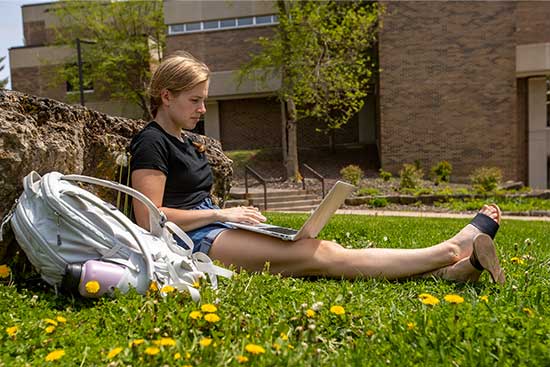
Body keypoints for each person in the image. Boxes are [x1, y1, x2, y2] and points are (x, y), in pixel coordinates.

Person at [130, 51, 505, 284]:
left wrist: (225, 216)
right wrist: (223, 212)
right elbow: (150, 219)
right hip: (193, 243)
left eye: (204, 100)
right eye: (195, 100)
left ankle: (454, 272)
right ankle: (448, 250)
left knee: (319, 248)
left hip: (214, 228)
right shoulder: (151, 141)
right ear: (166, 96)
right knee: (319, 256)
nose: (202, 109)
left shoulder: (183, 140)